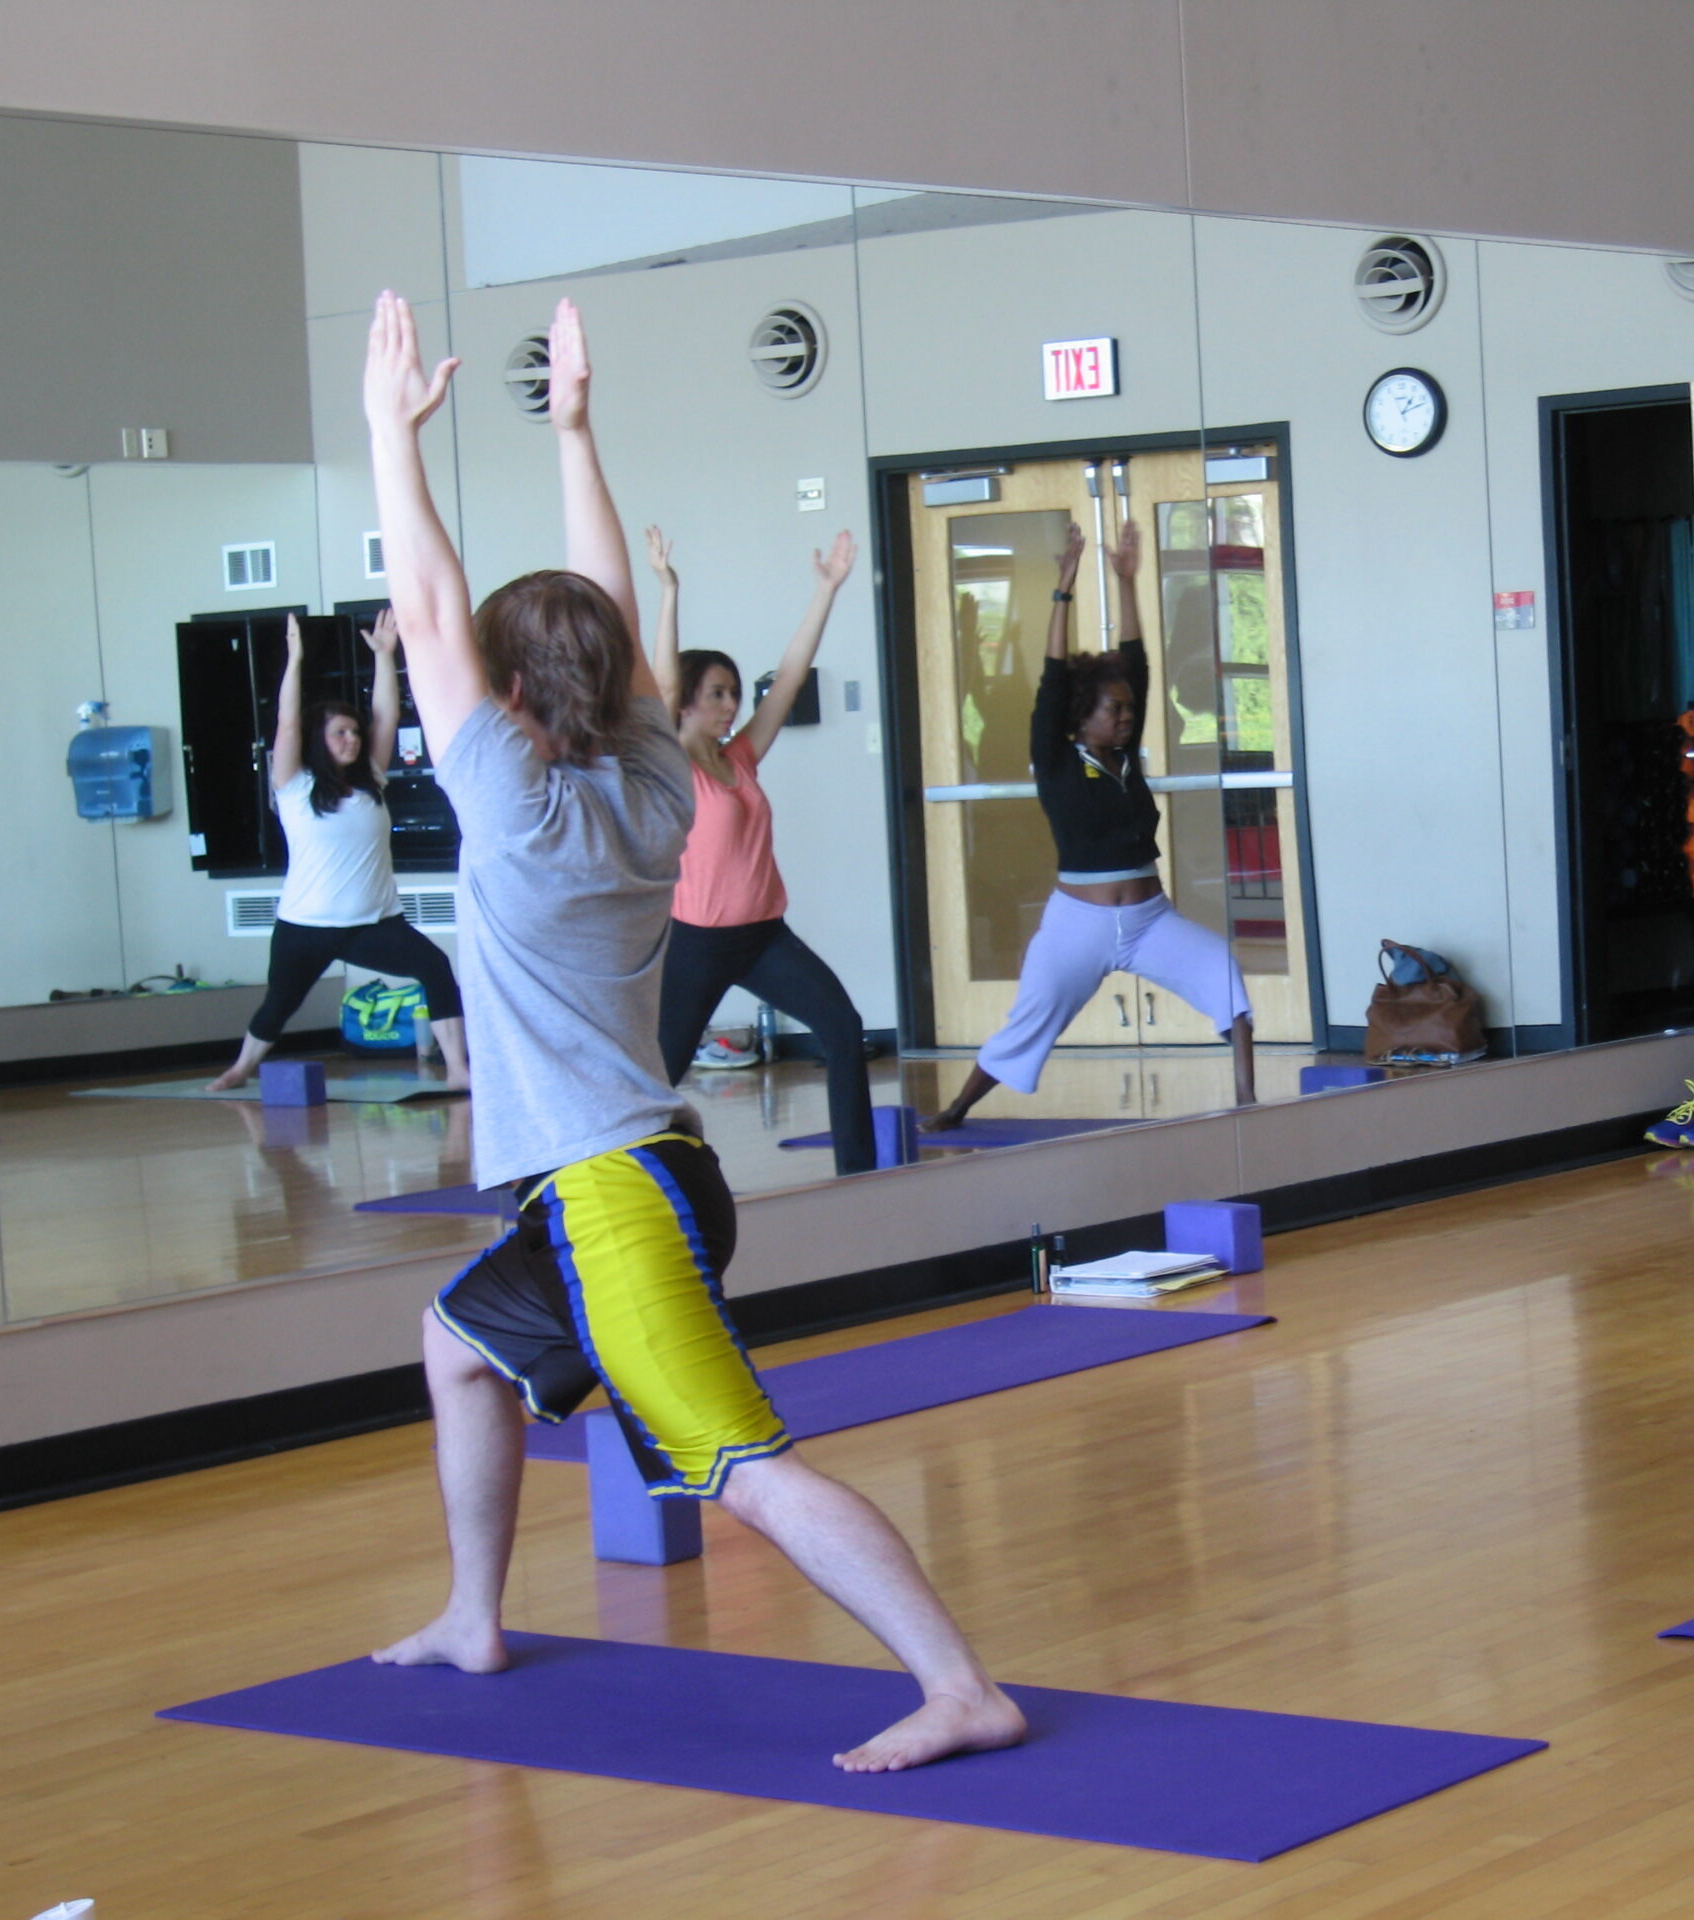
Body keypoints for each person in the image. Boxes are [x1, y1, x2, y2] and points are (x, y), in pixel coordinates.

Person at [359, 289, 1020, 1770]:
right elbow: (594, 604)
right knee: (456, 1345)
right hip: (641, 1171)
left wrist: (387, 439)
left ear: (513, 696)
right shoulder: (655, 777)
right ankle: (475, 1615)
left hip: (614, 1201)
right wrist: (576, 431)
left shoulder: (519, 808)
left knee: (744, 1468)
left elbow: (423, 603)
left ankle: (958, 1684)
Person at [923, 517, 1253, 1131]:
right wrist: (1064, 587)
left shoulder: (1123, 759)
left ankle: (1245, 1099)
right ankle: (958, 1107)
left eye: (1130, 709)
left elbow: (1137, 663)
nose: (1127, 717)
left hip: (1151, 920)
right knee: (1033, 1015)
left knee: (1223, 974)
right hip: (1080, 923)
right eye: (1115, 709)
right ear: (1083, 714)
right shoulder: (1055, 758)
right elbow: (1052, 680)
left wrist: (1127, 582)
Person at [645, 525, 878, 1173]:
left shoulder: (739, 757)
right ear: (688, 698)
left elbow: (790, 678)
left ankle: (858, 1174)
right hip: (695, 942)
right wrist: (668, 592)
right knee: (659, 1074)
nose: (732, 705)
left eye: (734, 694)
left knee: (841, 1026)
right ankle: (641, 1178)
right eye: (718, 693)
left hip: (765, 937)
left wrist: (825, 591)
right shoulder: (671, 766)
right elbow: (659, 688)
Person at [208, 607, 468, 1092]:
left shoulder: (370, 779)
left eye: (353, 731)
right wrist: (296, 658)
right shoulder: (293, 787)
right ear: (318, 743)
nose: (352, 738)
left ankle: (457, 1070)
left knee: (434, 967)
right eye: (340, 733)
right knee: (280, 1003)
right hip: (304, 926)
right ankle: (240, 1069)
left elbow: (386, 714)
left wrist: (387, 657)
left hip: (372, 924)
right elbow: (286, 724)